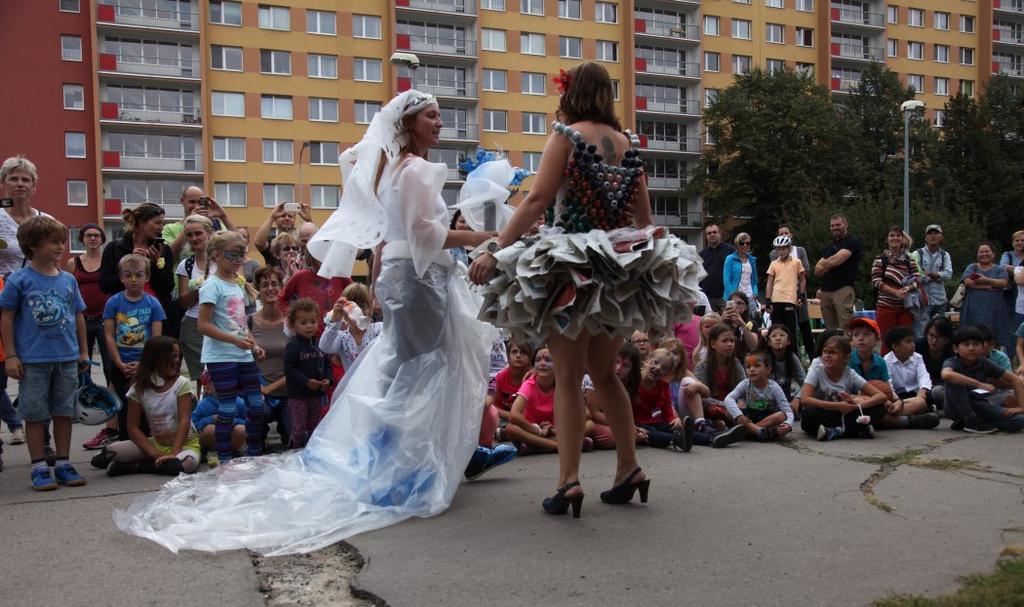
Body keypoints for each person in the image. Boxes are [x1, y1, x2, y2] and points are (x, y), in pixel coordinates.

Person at [118, 89, 500, 554]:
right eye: (432, 116)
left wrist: (383, 284)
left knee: (401, 368)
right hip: (420, 281)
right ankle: (401, 469)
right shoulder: (415, 169)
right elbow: (425, 234)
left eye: (442, 115)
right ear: (407, 124)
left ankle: (396, 460)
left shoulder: (391, 170)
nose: (441, 123)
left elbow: (385, 242)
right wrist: (486, 235)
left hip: (405, 279)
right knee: (423, 371)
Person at [468, 62, 704, 516]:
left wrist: (496, 248)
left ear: (571, 93)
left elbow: (537, 199)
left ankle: (569, 481)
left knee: (569, 377)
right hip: (616, 270)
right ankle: (629, 468)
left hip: (570, 270)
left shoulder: (566, 136)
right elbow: (643, 219)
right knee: (607, 373)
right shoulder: (628, 144)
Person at [0, 216, 89, 490]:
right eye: (54, 242)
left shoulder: (68, 280)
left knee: (64, 412)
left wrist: (83, 352)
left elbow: (78, 317)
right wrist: (11, 355)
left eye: (62, 241)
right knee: (35, 414)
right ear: (33, 246)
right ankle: (38, 466)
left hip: (66, 357)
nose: (61, 247)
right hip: (33, 361)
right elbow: (7, 317)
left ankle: (63, 462)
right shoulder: (19, 279)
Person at [197, 231, 266, 463]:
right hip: (221, 356)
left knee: (257, 405)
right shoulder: (211, 286)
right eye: (232, 254)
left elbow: (240, 323)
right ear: (217, 255)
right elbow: (203, 325)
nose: (238, 259)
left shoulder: (237, 285)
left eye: (241, 254)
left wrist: (253, 345)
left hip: (243, 354)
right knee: (226, 408)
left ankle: (254, 454)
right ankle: (224, 458)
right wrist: (234, 340)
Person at [92, 336, 200, 476]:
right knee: (110, 452)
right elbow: (132, 427)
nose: (177, 361)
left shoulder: (181, 384)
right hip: (155, 443)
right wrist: (155, 454)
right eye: (172, 357)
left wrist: (174, 452)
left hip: (184, 445)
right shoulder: (138, 389)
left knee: (183, 465)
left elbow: (185, 420)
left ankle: (134, 467)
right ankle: (156, 462)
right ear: (156, 359)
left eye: (178, 356)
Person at [103, 254, 166, 441]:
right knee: (124, 405)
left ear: (146, 277)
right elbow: (109, 335)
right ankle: (126, 442)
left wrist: (144, 364)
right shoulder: (113, 302)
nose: (133, 280)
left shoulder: (153, 303)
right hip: (121, 363)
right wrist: (118, 362)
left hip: (146, 364)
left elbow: (156, 338)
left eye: (138, 275)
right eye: (128, 275)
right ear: (121, 277)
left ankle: (148, 442)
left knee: (147, 404)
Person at [69, 224, 116, 450]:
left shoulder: (108, 261)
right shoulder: (73, 263)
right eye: (88, 235)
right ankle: (81, 406)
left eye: (97, 235)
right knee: (81, 365)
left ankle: (110, 405)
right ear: (82, 239)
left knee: (109, 365)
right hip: (82, 319)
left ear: (102, 239)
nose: (93, 239)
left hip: (105, 319)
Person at [506, 347, 593, 461]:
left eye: (547, 360)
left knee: (590, 425)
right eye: (538, 360)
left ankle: (536, 447)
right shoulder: (529, 384)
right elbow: (514, 415)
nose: (542, 364)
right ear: (533, 366)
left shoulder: (563, 385)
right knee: (511, 429)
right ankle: (558, 446)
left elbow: (585, 413)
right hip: (532, 430)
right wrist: (537, 430)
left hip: (554, 431)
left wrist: (554, 429)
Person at [99, 203, 175, 330]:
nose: (161, 227)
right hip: (124, 318)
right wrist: (130, 266)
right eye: (157, 223)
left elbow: (168, 287)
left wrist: (154, 264)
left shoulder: (163, 249)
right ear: (141, 222)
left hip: (156, 318)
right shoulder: (115, 248)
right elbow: (105, 285)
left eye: (163, 223)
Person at [800, 335, 888, 441]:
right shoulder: (816, 370)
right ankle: (855, 430)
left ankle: (834, 432)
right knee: (807, 414)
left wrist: (855, 405)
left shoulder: (850, 374)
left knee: (880, 408)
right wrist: (837, 405)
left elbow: (881, 396)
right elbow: (805, 399)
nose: (827, 356)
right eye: (825, 352)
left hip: (845, 414)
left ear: (846, 358)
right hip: (824, 413)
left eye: (832, 353)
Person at [940, 326, 1024, 433]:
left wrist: (1021, 407)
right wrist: (979, 384)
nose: (971, 348)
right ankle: (971, 421)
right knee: (955, 381)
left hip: (979, 405)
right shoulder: (952, 362)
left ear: (983, 348)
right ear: (956, 348)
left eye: (976, 344)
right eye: (966, 344)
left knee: (1020, 420)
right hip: (956, 407)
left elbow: (1015, 379)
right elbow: (947, 375)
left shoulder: (984, 363)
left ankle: (976, 423)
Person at [249, 267, 289, 453]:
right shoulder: (249, 322)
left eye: (274, 284)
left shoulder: (292, 322)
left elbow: (299, 365)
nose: (270, 288)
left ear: (282, 287)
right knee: (256, 449)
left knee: (295, 443)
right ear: (258, 289)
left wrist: (271, 388)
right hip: (260, 392)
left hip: (289, 392)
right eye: (265, 285)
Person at [174, 215, 215, 390]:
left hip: (219, 321)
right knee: (201, 377)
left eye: (198, 233)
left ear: (209, 233)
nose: (194, 239)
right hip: (194, 324)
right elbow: (184, 301)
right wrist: (199, 289)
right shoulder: (186, 264)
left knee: (222, 372)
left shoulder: (222, 260)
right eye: (189, 235)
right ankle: (203, 413)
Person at [284, 299, 332, 448]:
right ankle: (293, 451)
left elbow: (327, 365)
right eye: (303, 323)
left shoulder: (320, 344)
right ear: (293, 325)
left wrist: (328, 380)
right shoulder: (292, 346)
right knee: (299, 429)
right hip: (298, 397)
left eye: (312, 321)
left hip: (316, 397)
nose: (309, 326)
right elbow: (289, 370)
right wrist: (306, 381)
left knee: (315, 429)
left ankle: (310, 454)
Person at [0, 155, 53, 278]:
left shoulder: (47, 221)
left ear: (33, 186)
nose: (20, 184)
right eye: (13, 179)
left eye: (25, 180)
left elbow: (53, 263)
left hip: (36, 292)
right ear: (3, 183)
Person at [722, 351, 793, 441]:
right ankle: (761, 433)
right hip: (750, 417)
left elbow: (788, 411)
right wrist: (739, 416)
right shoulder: (745, 383)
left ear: (768, 369)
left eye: (757, 366)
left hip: (767, 419)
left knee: (781, 415)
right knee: (728, 412)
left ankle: (748, 431)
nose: (752, 369)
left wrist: (789, 424)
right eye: (748, 366)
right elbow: (728, 399)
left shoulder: (774, 387)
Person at [871, 226, 921, 354]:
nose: (895, 238)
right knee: (887, 341)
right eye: (892, 235)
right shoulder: (880, 259)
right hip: (885, 306)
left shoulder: (910, 260)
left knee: (905, 341)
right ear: (887, 240)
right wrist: (895, 292)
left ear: (903, 239)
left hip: (905, 307)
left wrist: (907, 289)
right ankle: (887, 371)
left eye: (898, 235)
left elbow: (917, 279)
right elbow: (876, 281)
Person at [630, 348, 692, 450]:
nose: (658, 368)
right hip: (633, 422)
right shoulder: (633, 381)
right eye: (655, 362)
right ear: (646, 361)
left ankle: (711, 437)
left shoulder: (662, 386)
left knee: (670, 428)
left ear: (666, 373)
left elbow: (667, 411)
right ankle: (677, 440)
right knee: (652, 432)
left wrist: (674, 419)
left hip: (651, 420)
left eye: (664, 368)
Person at [692, 323, 748, 438]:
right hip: (714, 408)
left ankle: (726, 428)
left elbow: (745, 387)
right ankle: (738, 428)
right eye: (725, 341)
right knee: (716, 411)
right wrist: (728, 405)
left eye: (732, 341)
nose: (730, 344)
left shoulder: (736, 364)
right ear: (713, 343)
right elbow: (702, 398)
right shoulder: (702, 366)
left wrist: (741, 401)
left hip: (735, 407)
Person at [770, 225, 816, 357]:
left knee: (804, 324)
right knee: (787, 326)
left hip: (798, 291)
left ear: (791, 235)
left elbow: (806, 270)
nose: (784, 235)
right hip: (782, 295)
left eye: (786, 233)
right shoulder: (774, 254)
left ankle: (811, 355)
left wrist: (795, 271)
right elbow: (777, 273)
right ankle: (786, 355)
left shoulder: (800, 251)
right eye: (781, 233)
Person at [882, 326, 940, 430]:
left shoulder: (918, 357)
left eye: (913, 341)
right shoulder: (886, 361)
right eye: (908, 342)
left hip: (917, 395)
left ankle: (901, 416)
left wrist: (922, 393)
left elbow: (924, 377)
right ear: (895, 346)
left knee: (923, 400)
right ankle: (918, 414)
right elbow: (888, 385)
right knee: (919, 404)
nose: (913, 345)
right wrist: (898, 401)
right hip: (898, 397)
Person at [960, 242, 1013, 353]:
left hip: (995, 308)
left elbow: (1003, 283)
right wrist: (987, 286)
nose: (984, 254)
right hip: (973, 307)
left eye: (987, 251)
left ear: (993, 254)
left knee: (996, 334)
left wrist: (985, 280)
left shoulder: (999, 269)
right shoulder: (972, 267)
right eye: (981, 252)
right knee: (972, 333)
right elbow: (967, 281)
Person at [318, 283, 383, 371]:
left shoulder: (378, 329)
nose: (358, 310)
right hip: (354, 384)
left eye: (362, 306)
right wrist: (335, 321)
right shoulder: (342, 337)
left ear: (370, 307)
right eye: (350, 307)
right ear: (343, 312)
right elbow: (324, 347)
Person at [814, 214, 862, 330]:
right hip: (826, 291)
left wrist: (827, 262)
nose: (835, 227)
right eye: (832, 226)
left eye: (838, 225)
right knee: (830, 330)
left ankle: (848, 349)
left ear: (845, 225)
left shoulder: (852, 242)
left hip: (843, 289)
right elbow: (817, 270)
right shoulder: (829, 247)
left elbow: (835, 261)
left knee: (845, 327)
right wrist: (832, 261)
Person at [163, 186, 234, 261]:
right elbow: (168, 257)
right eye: (192, 202)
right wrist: (189, 223)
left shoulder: (216, 225)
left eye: (200, 202)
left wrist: (224, 217)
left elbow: (237, 247)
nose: (197, 206)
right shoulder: (169, 228)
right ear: (182, 201)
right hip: (182, 272)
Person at [765, 234, 805, 347]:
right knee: (776, 330)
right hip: (776, 300)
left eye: (783, 249)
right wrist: (768, 300)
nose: (781, 252)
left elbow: (802, 280)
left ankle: (793, 357)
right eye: (778, 249)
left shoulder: (797, 262)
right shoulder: (773, 264)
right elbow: (769, 282)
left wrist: (801, 295)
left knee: (790, 331)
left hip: (790, 300)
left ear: (789, 248)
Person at [913, 225, 953, 339]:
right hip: (922, 300)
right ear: (925, 237)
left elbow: (949, 274)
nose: (933, 236)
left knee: (941, 333)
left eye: (936, 233)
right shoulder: (917, 253)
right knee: (922, 333)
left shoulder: (945, 255)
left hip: (940, 300)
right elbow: (916, 275)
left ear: (941, 237)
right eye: (930, 234)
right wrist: (938, 275)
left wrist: (931, 274)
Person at [765, 324, 805, 417]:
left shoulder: (793, 358)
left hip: (787, 399)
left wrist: (797, 399)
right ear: (769, 342)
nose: (778, 338)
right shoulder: (764, 359)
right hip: (767, 400)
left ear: (789, 341)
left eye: (782, 335)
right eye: (774, 336)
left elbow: (805, 382)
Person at [253, 201, 308, 268]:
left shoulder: (300, 241)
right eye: (283, 216)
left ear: (294, 220)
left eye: (290, 216)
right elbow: (258, 243)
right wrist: (272, 217)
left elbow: (317, 243)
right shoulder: (272, 241)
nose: (287, 218)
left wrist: (308, 219)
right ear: (276, 220)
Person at [699, 223, 735, 308]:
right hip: (708, 298)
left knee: (728, 320)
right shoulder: (701, 255)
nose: (712, 234)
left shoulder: (731, 251)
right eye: (709, 233)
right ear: (706, 236)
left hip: (727, 297)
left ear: (720, 234)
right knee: (710, 321)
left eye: (714, 232)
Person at [917, 316, 953, 389]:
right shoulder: (918, 346)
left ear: (947, 339)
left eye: (940, 337)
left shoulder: (953, 350)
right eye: (931, 335)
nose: (934, 341)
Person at [723, 232, 759, 307]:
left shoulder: (752, 260)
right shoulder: (730, 259)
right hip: (734, 298)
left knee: (751, 319)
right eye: (742, 243)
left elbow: (755, 280)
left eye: (747, 243)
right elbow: (726, 280)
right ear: (737, 244)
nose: (745, 245)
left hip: (750, 298)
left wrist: (755, 294)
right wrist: (733, 297)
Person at [1002, 230, 1024, 336]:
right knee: (1011, 324)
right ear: (1012, 243)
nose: (1020, 242)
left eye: (1023, 240)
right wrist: (1020, 270)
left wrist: (1014, 270)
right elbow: (1002, 267)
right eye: (1017, 240)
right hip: (1011, 292)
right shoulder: (1008, 255)